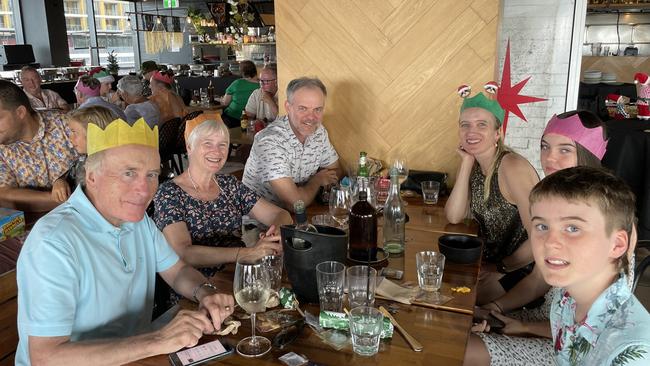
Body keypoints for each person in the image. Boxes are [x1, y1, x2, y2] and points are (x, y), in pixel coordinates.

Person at [16, 117, 235, 366]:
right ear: (92, 177)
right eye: (128, 173)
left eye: (152, 174)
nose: (144, 189)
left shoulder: (137, 221)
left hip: (137, 357)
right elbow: (46, 357)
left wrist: (204, 292)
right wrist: (158, 339)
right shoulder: (53, 243)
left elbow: (178, 271)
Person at [464, 110, 610, 366]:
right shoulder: (554, 207)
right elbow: (538, 280)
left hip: (574, 348)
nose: (549, 157)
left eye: (564, 150)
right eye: (545, 146)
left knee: (460, 350)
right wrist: (497, 309)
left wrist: (521, 327)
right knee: (457, 322)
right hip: (542, 318)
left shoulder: (604, 221)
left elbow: (594, 327)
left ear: (587, 157)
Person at [154, 119, 292, 301]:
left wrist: (275, 235)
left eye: (223, 145)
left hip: (237, 276)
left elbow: (280, 214)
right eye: (207, 144)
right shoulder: (169, 193)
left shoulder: (228, 184)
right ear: (189, 147)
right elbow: (182, 252)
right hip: (196, 289)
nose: (216, 151)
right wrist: (247, 254)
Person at [531, 166, 649, 365]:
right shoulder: (565, 298)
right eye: (542, 226)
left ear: (618, 244)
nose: (550, 242)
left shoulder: (632, 352)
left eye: (573, 228)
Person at [445, 90, 539, 305]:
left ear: (498, 133)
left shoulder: (511, 166)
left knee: (455, 302)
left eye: (482, 124)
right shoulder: (477, 166)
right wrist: (466, 162)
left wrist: (501, 268)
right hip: (491, 264)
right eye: (465, 125)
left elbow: (541, 237)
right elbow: (453, 215)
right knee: (439, 287)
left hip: (524, 271)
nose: (471, 131)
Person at [242, 77, 341, 211]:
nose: (311, 117)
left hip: (305, 214)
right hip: (263, 226)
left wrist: (307, 192)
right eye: (303, 108)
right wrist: (317, 181)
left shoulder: (319, 131)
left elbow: (335, 170)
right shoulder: (269, 141)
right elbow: (295, 204)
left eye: (317, 109)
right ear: (288, 107)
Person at [0, 80, 77, 213]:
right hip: (32, 226)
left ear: (20, 112)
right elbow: (4, 194)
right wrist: (61, 198)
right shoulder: (2, 148)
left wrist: (63, 181)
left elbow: (98, 161)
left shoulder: (65, 124)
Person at [50, 106, 115, 203]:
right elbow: (70, 176)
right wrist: (60, 181)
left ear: (94, 134)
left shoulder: (113, 167)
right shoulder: (82, 160)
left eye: (74, 132)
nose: (70, 138)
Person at [220, 60, 259, 128]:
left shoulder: (237, 83)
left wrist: (220, 100)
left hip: (233, 117)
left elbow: (225, 103)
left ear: (242, 72)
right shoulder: (261, 84)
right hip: (253, 120)